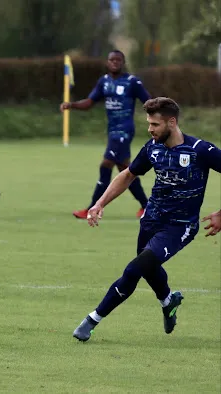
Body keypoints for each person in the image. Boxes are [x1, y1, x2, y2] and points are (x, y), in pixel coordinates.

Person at [73, 97, 221, 342]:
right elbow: (127, 175)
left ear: (171, 122)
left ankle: (92, 320)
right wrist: (99, 204)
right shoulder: (152, 148)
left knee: (135, 269)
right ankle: (168, 301)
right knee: (148, 266)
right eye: (149, 124)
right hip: (151, 221)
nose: (150, 129)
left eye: (155, 124)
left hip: (180, 226)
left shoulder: (200, 151)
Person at [60, 50, 151, 219]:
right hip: (112, 131)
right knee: (125, 170)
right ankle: (147, 206)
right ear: (107, 63)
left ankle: (92, 208)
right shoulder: (104, 82)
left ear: (123, 63)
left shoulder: (132, 82)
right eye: (112, 60)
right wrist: (71, 105)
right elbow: (89, 102)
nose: (115, 62)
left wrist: (159, 120)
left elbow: (149, 101)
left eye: (118, 60)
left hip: (124, 130)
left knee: (106, 164)